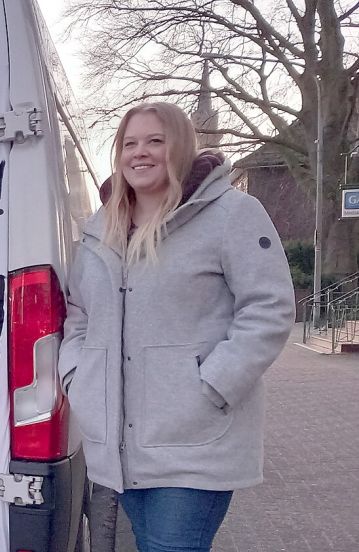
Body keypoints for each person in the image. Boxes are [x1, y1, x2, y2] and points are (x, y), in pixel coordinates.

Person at [58, 102, 295, 552]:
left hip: (194, 443)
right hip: (122, 446)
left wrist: (213, 384)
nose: (139, 153)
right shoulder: (100, 228)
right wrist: (79, 378)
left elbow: (270, 307)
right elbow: (80, 315)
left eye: (154, 141)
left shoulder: (231, 214)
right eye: (129, 143)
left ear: (180, 147)